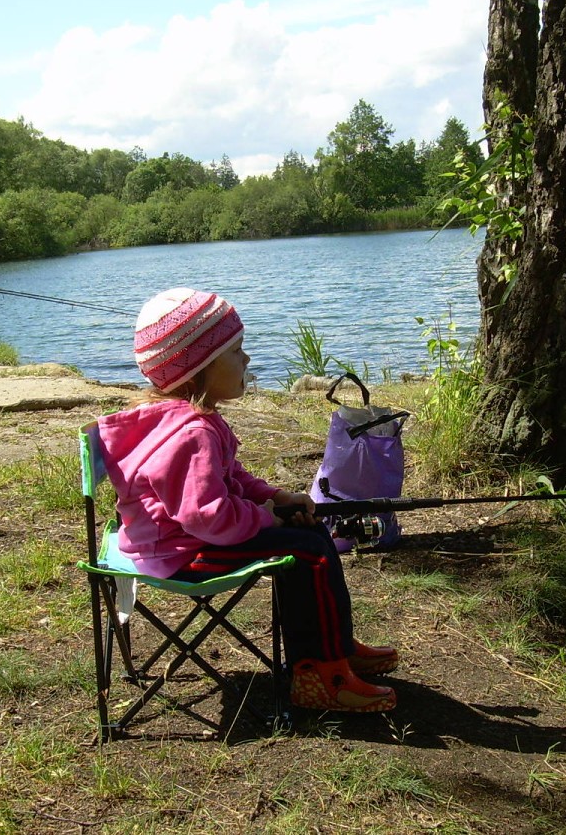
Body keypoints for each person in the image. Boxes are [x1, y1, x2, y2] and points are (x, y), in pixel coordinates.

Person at [97, 287, 399, 712]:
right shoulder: (192, 433)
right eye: (236, 351)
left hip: (175, 540)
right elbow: (208, 518)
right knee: (308, 551)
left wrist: (276, 497)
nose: (248, 359)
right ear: (199, 367)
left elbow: (231, 476)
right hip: (180, 553)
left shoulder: (188, 418)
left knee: (311, 536)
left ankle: (336, 648)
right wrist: (267, 517)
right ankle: (321, 677)